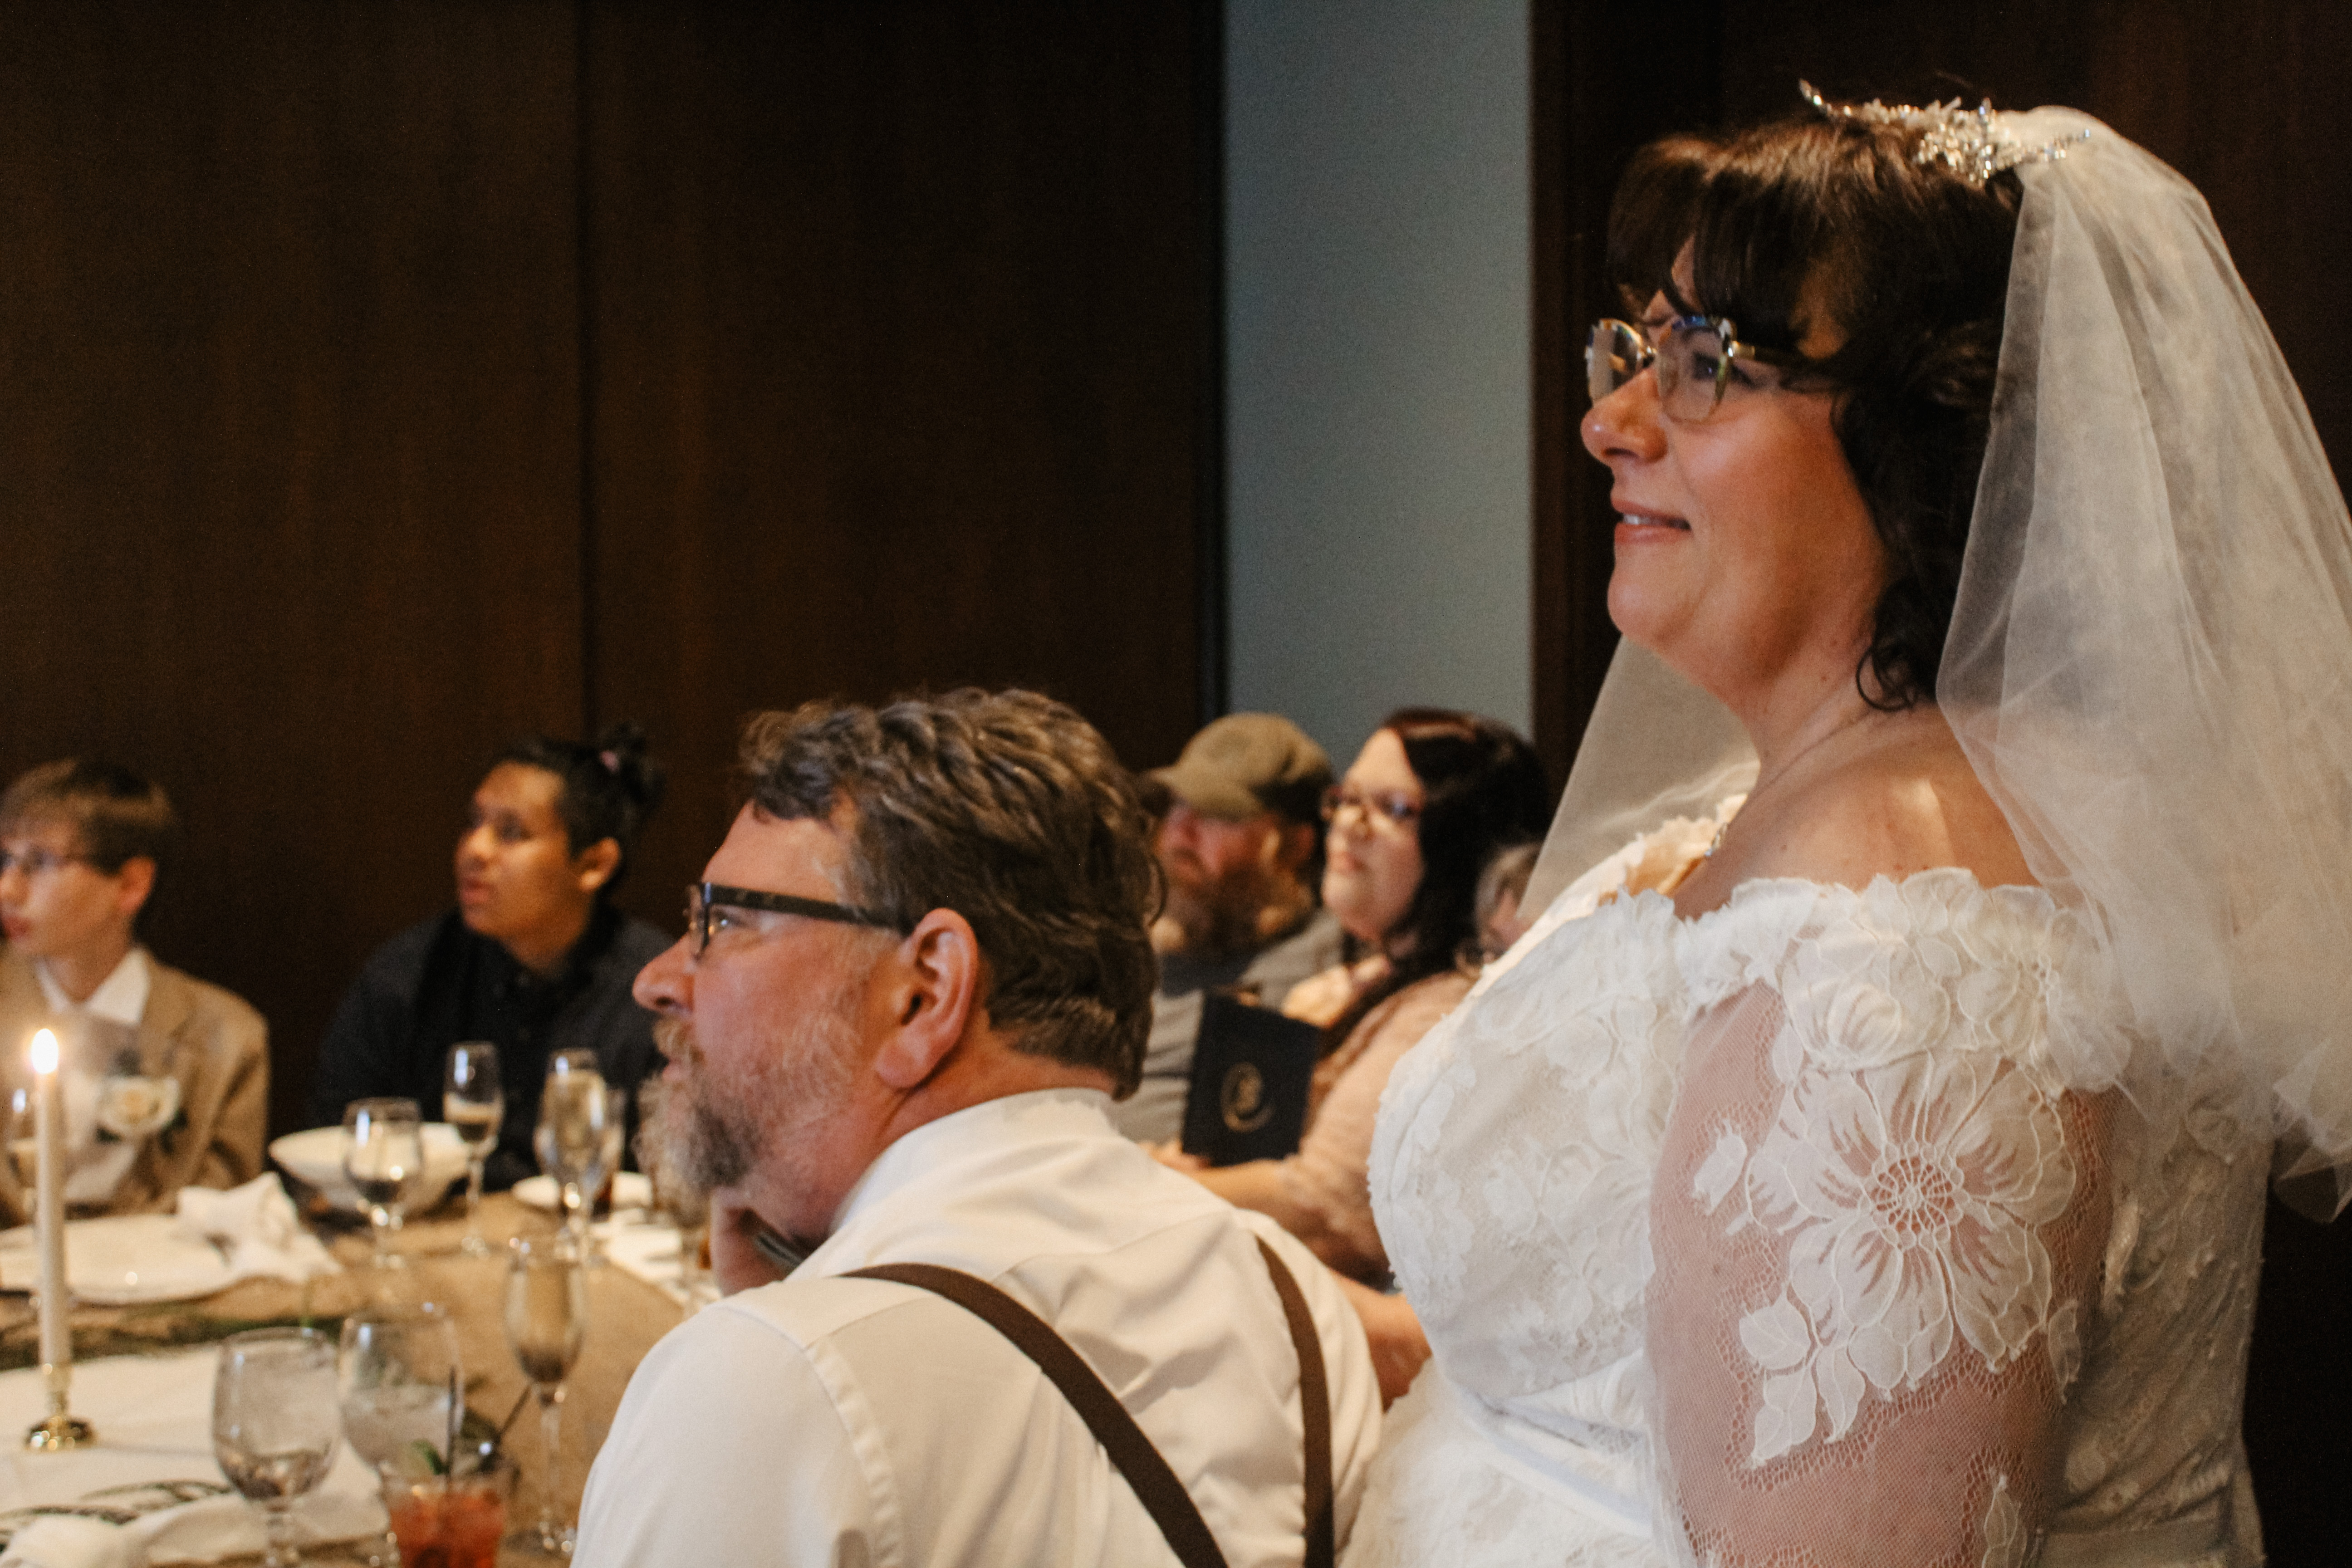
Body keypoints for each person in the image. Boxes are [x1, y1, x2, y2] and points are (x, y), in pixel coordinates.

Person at [1345, 88, 2352, 1568]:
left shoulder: (1908, 940)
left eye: (1703, 364)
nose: (1607, 420)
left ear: (1939, 432)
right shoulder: (1843, 807)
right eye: (1630, 349)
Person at [577, 690, 1381, 1567]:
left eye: (724, 921)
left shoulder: (765, 1389)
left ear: (926, 989)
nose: (658, 978)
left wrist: (770, 1354)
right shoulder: (1294, 1305)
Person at [1155, 709, 1548, 1285]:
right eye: (1346, 799)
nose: (1349, 825)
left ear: (1462, 840)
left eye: (1391, 808)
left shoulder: (1448, 1011)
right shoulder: (1348, 984)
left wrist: (1133, 1184)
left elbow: (1320, 1213)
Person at [308, 723, 667, 1191]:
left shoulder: (656, 992)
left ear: (594, 864)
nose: (475, 850)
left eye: (511, 832)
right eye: (474, 822)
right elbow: (331, 1149)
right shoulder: (408, 976)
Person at [0, 761, 265, 1219]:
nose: (9, 889)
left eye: (40, 862)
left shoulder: (224, 1033)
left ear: (130, 884)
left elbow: (220, 1209)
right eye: (6, 860)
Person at [1112, 712, 1344, 1142]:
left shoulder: (1333, 963)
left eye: (1220, 813)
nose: (1182, 829)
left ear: (1294, 846)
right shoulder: (1116, 951)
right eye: (1179, 803)